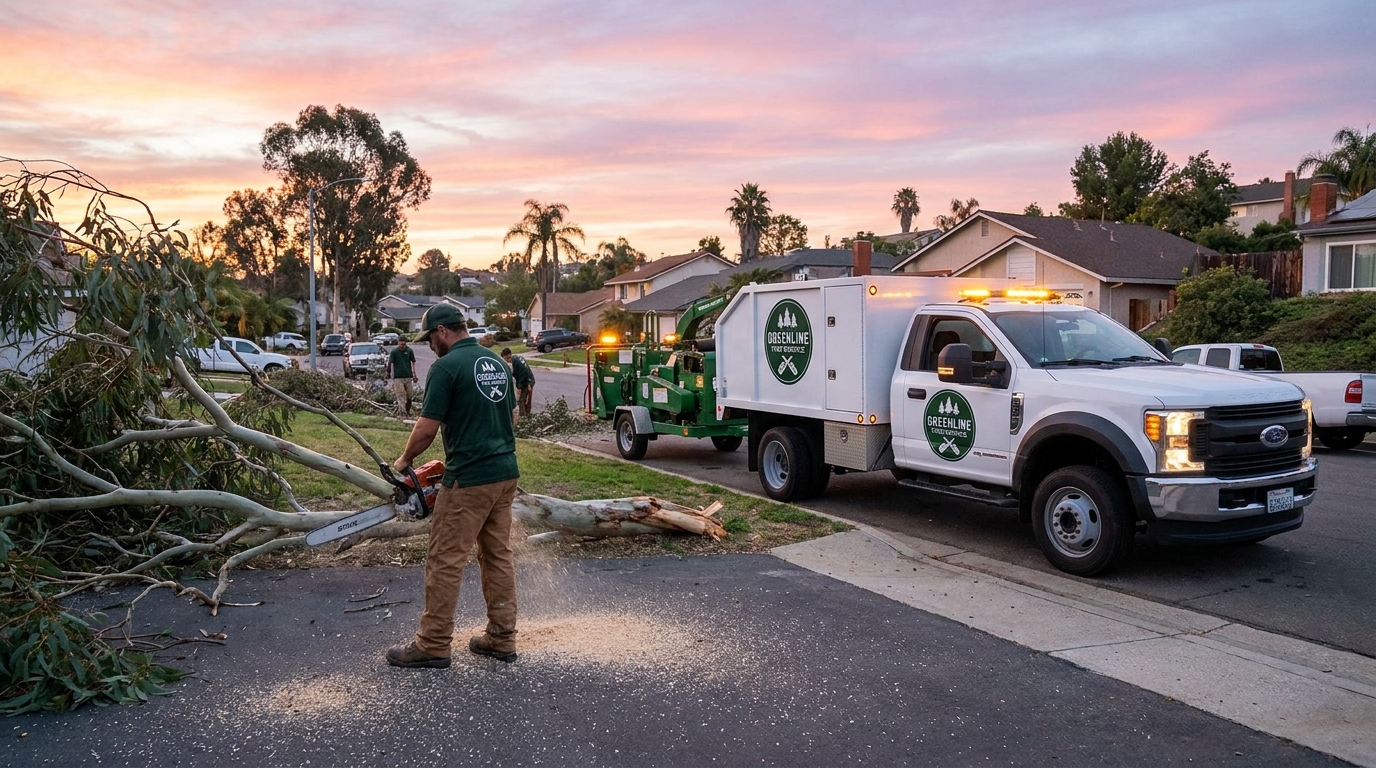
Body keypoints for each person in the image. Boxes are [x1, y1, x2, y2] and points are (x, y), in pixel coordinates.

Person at [386, 303, 521, 668]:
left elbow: (427, 428)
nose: (429, 345)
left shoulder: (445, 368)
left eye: (430, 338)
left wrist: (403, 462)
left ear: (443, 331)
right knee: (497, 555)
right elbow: (508, 415)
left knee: (445, 558)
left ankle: (432, 643)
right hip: (505, 473)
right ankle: (502, 637)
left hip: (469, 479)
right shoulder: (495, 363)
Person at [501, 347, 535, 420]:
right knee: (527, 400)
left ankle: (523, 418)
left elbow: (522, 374)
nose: (505, 361)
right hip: (530, 380)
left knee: (521, 401)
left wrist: (519, 387)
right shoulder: (518, 358)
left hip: (526, 382)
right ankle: (528, 416)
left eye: (505, 359)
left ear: (508, 356)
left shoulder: (515, 362)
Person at [387, 339, 419, 416]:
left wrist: (415, 374)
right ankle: (402, 412)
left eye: (404, 344)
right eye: (401, 344)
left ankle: (407, 410)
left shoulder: (409, 351)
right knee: (400, 395)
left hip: (408, 376)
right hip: (398, 377)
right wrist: (389, 373)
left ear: (406, 344)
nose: (402, 346)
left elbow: (413, 363)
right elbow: (390, 363)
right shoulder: (394, 352)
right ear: (398, 343)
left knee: (409, 395)